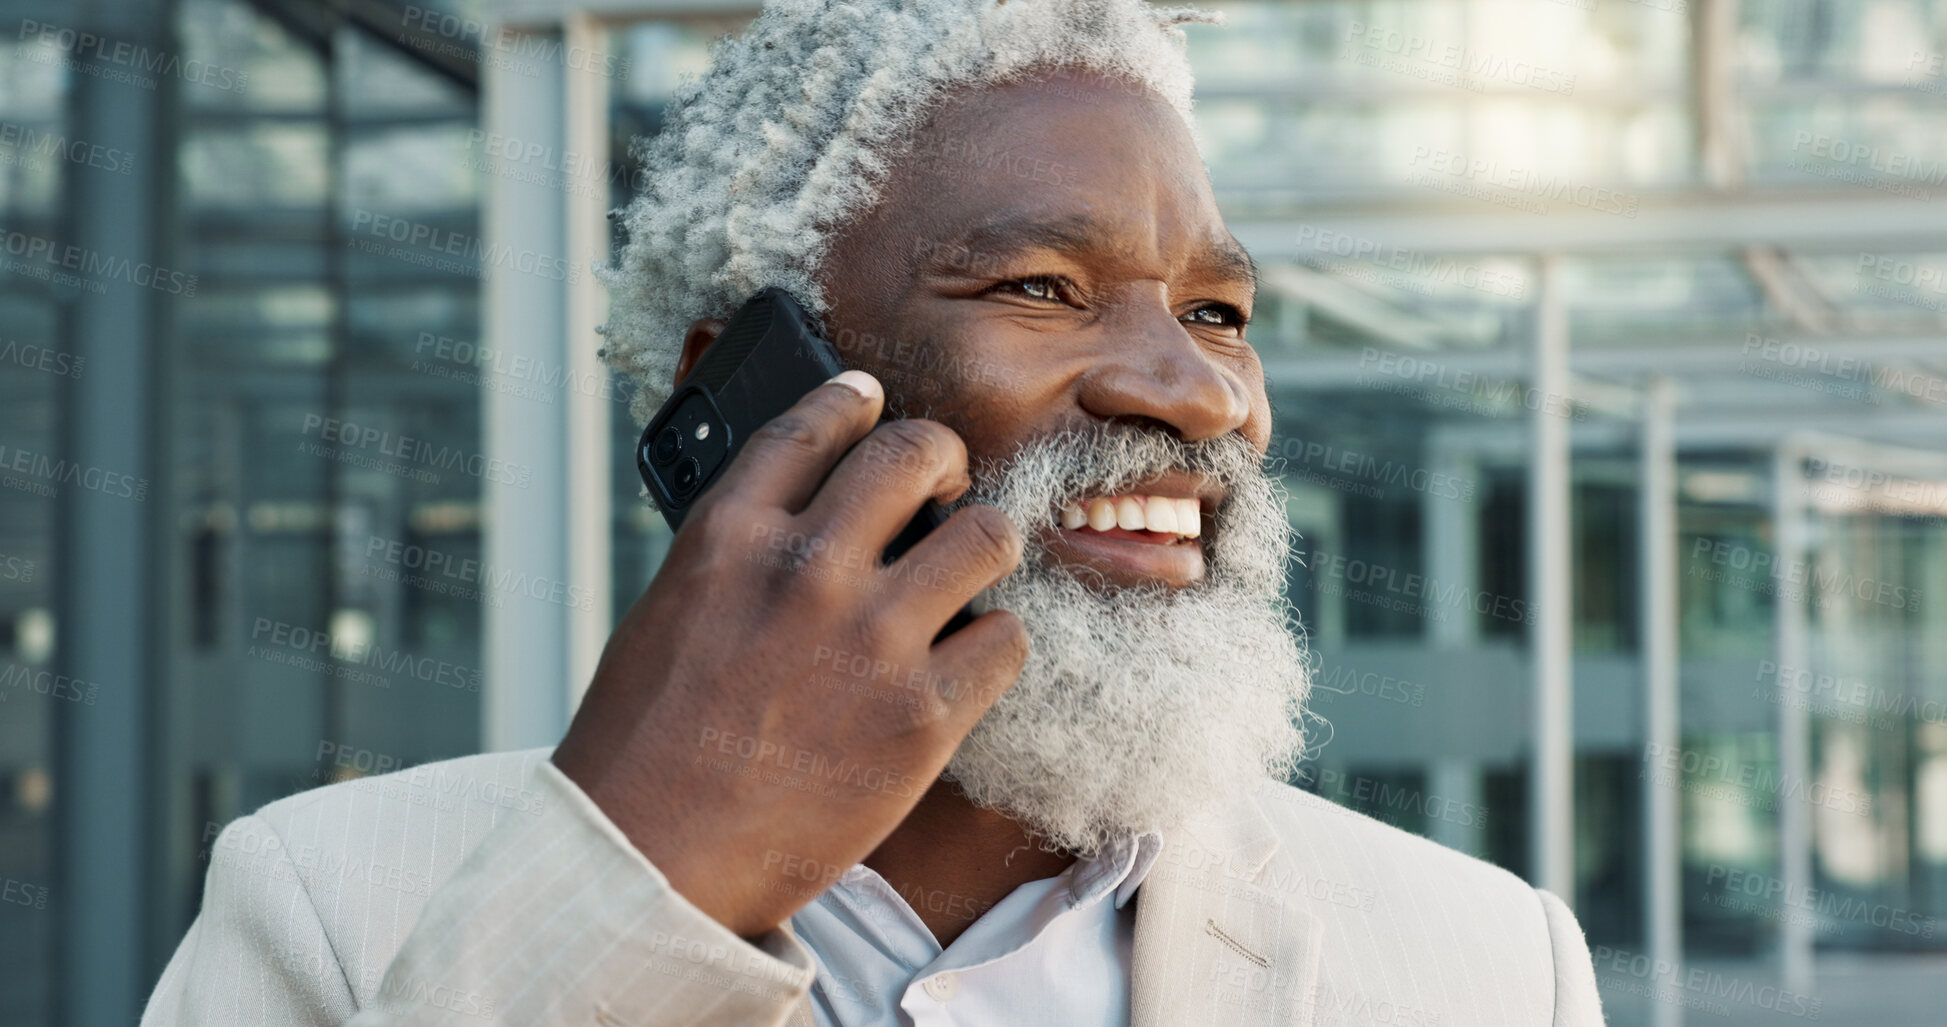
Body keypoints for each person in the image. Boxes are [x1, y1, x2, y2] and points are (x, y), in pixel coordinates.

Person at [143, 0, 1606, 1023]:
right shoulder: (333, 907)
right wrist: (641, 884)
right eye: (1042, 287)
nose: (1201, 393)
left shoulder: (1486, 965)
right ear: (765, 397)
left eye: (1220, 313)